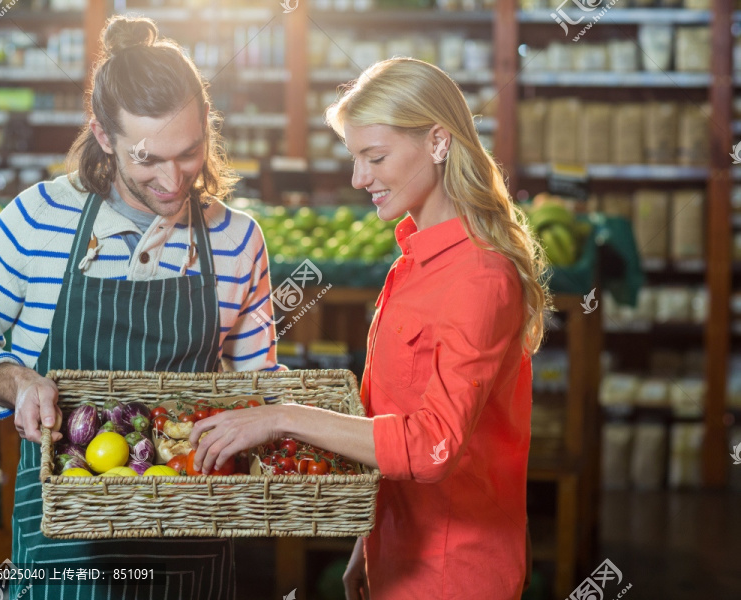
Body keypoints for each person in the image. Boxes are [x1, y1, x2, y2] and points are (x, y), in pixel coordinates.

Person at [0, 16, 280, 599]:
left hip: (188, 541)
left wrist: (285, 411)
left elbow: (257, 381)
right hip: (62, 546)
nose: (172, 180)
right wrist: (12, 379)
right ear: (103, 135)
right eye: (148, 160)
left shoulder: (237, 239)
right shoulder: (38, 218)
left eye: (189, 153)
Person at [189, 58, 549, 600]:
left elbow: (431, 446)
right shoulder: (414, 259)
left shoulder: (480, 277)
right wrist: (370, 535)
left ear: (437, 141)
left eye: (374, 157)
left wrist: (282, 417)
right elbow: (391, 419)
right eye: (356, 158)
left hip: (455, 571)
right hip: (398, 551)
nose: (359, 179)